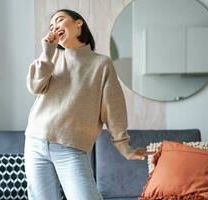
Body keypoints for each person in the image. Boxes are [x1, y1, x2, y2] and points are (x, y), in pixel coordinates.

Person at [24, 9, 153, 200]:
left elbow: (114, 108)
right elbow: (35, 86)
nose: (55, 27)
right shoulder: (51, 58)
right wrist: (47, 53)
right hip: (35, 142)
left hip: (71, 147)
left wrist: (125, 148)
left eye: (60, 20)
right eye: (51, 26)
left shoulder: (101, 64)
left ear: (78, 24)